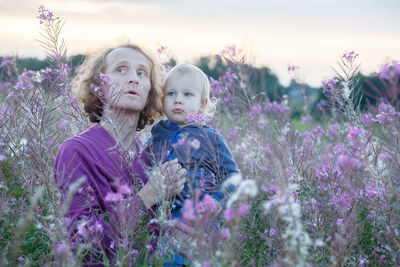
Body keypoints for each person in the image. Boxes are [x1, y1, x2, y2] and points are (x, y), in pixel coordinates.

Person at [54, 44, 187, 265]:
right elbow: (83, 246)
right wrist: (150, 195)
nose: (134, 78)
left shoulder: (151, 155)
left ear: (150, 92)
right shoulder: (76, 150)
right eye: (121, 70)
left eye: (142, 73)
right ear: (99, 86)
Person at [150, 64, 239, 265]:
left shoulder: (211, 138)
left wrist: (218, 201)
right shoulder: (158, 132)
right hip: (164, 218)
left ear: (202, 104)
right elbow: (145, 165)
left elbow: (232, 177)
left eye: (187, 94)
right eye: (171, 93)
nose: (178, 99)